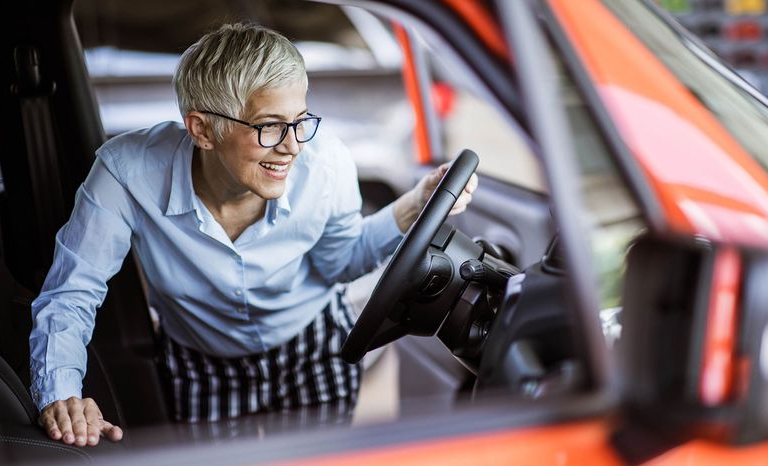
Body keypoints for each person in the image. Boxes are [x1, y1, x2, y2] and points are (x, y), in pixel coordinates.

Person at [28, 22, 477, 447]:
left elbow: (339, 262)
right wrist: (60, 391)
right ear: (202, 129)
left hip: (313, 344)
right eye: (269, 126)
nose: (293, 145)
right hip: (201, 360)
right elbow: (72, 292)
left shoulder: (326, 163)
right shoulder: (125, 171)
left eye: (300, 120)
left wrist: (414, 204)